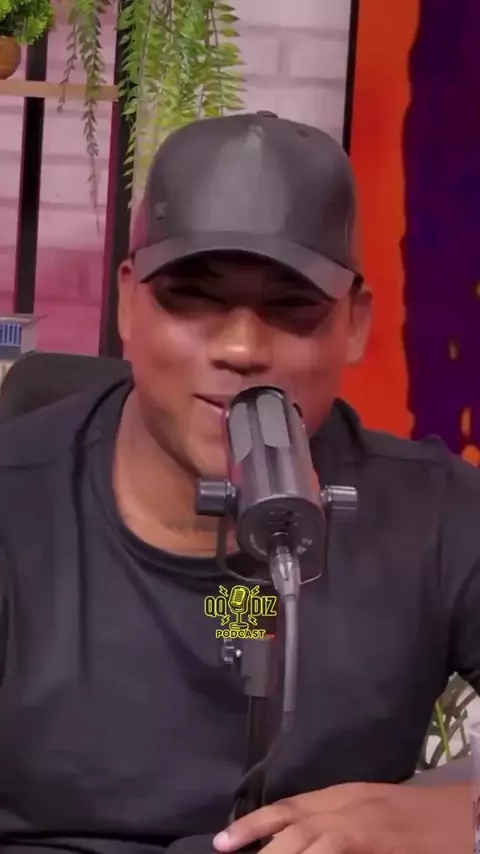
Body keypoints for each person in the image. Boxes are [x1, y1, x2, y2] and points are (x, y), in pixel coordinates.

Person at [0, 112, 478, 854]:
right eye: (193, 296)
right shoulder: (15, 496)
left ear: (355, 323)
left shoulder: (436, 513)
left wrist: (462, 818)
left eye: (292, 306)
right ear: (128, 302)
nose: (241, 347)